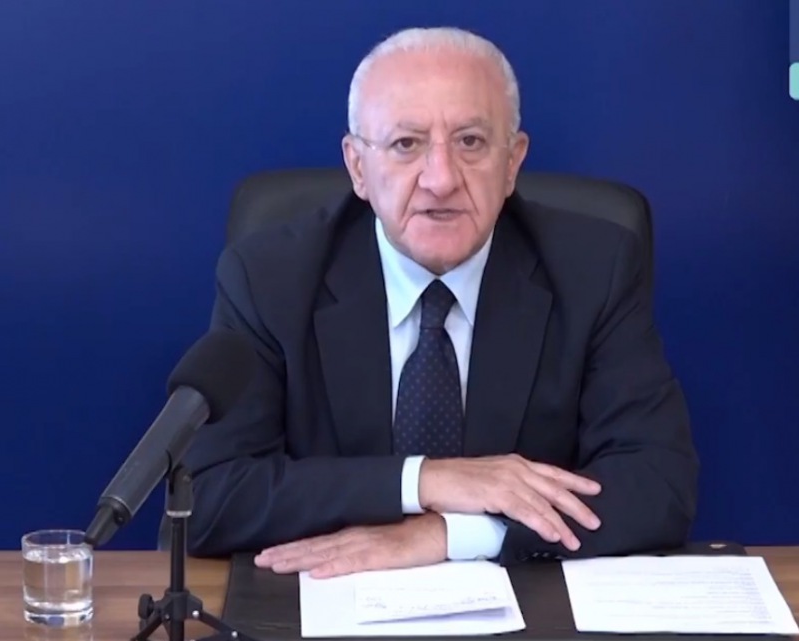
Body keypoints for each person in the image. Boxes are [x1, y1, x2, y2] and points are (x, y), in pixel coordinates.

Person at [181, 26, 699, 578]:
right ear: (358, 167)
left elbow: (657, 481)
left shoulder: (593, 269)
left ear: (512, 162)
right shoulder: (270, 277)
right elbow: (209, 499)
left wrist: (451, 533)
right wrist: (425, 479)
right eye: (407, 144)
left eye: (470, 142)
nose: (441, 179)